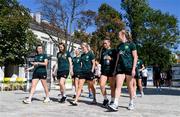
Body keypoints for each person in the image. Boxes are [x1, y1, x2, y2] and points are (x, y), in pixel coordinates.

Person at [108, 29, 138, 111]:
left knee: (130, 86)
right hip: (120, 68)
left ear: (123, 34)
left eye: (119, 34)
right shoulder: (119, 46)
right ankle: (115, 104)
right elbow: (117, 58)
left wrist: (133, 69)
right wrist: (115, 69)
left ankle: (131, 102)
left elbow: (135, 57)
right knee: (118, 86)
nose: (118, 36)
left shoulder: (132, 44)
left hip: (129, 67)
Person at [99, 38, 116, 107]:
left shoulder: (113, 50)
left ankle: (112, 100)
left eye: (105, 43)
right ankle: (105, 99)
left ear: (109, 43)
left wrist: (111, 59)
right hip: (104, 71)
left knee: (112, 86)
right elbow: (101, 61)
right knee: (101, 85)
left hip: (111, 70)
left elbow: (117, 60)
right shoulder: (103, 51)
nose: (104, 44)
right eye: (103, 43)